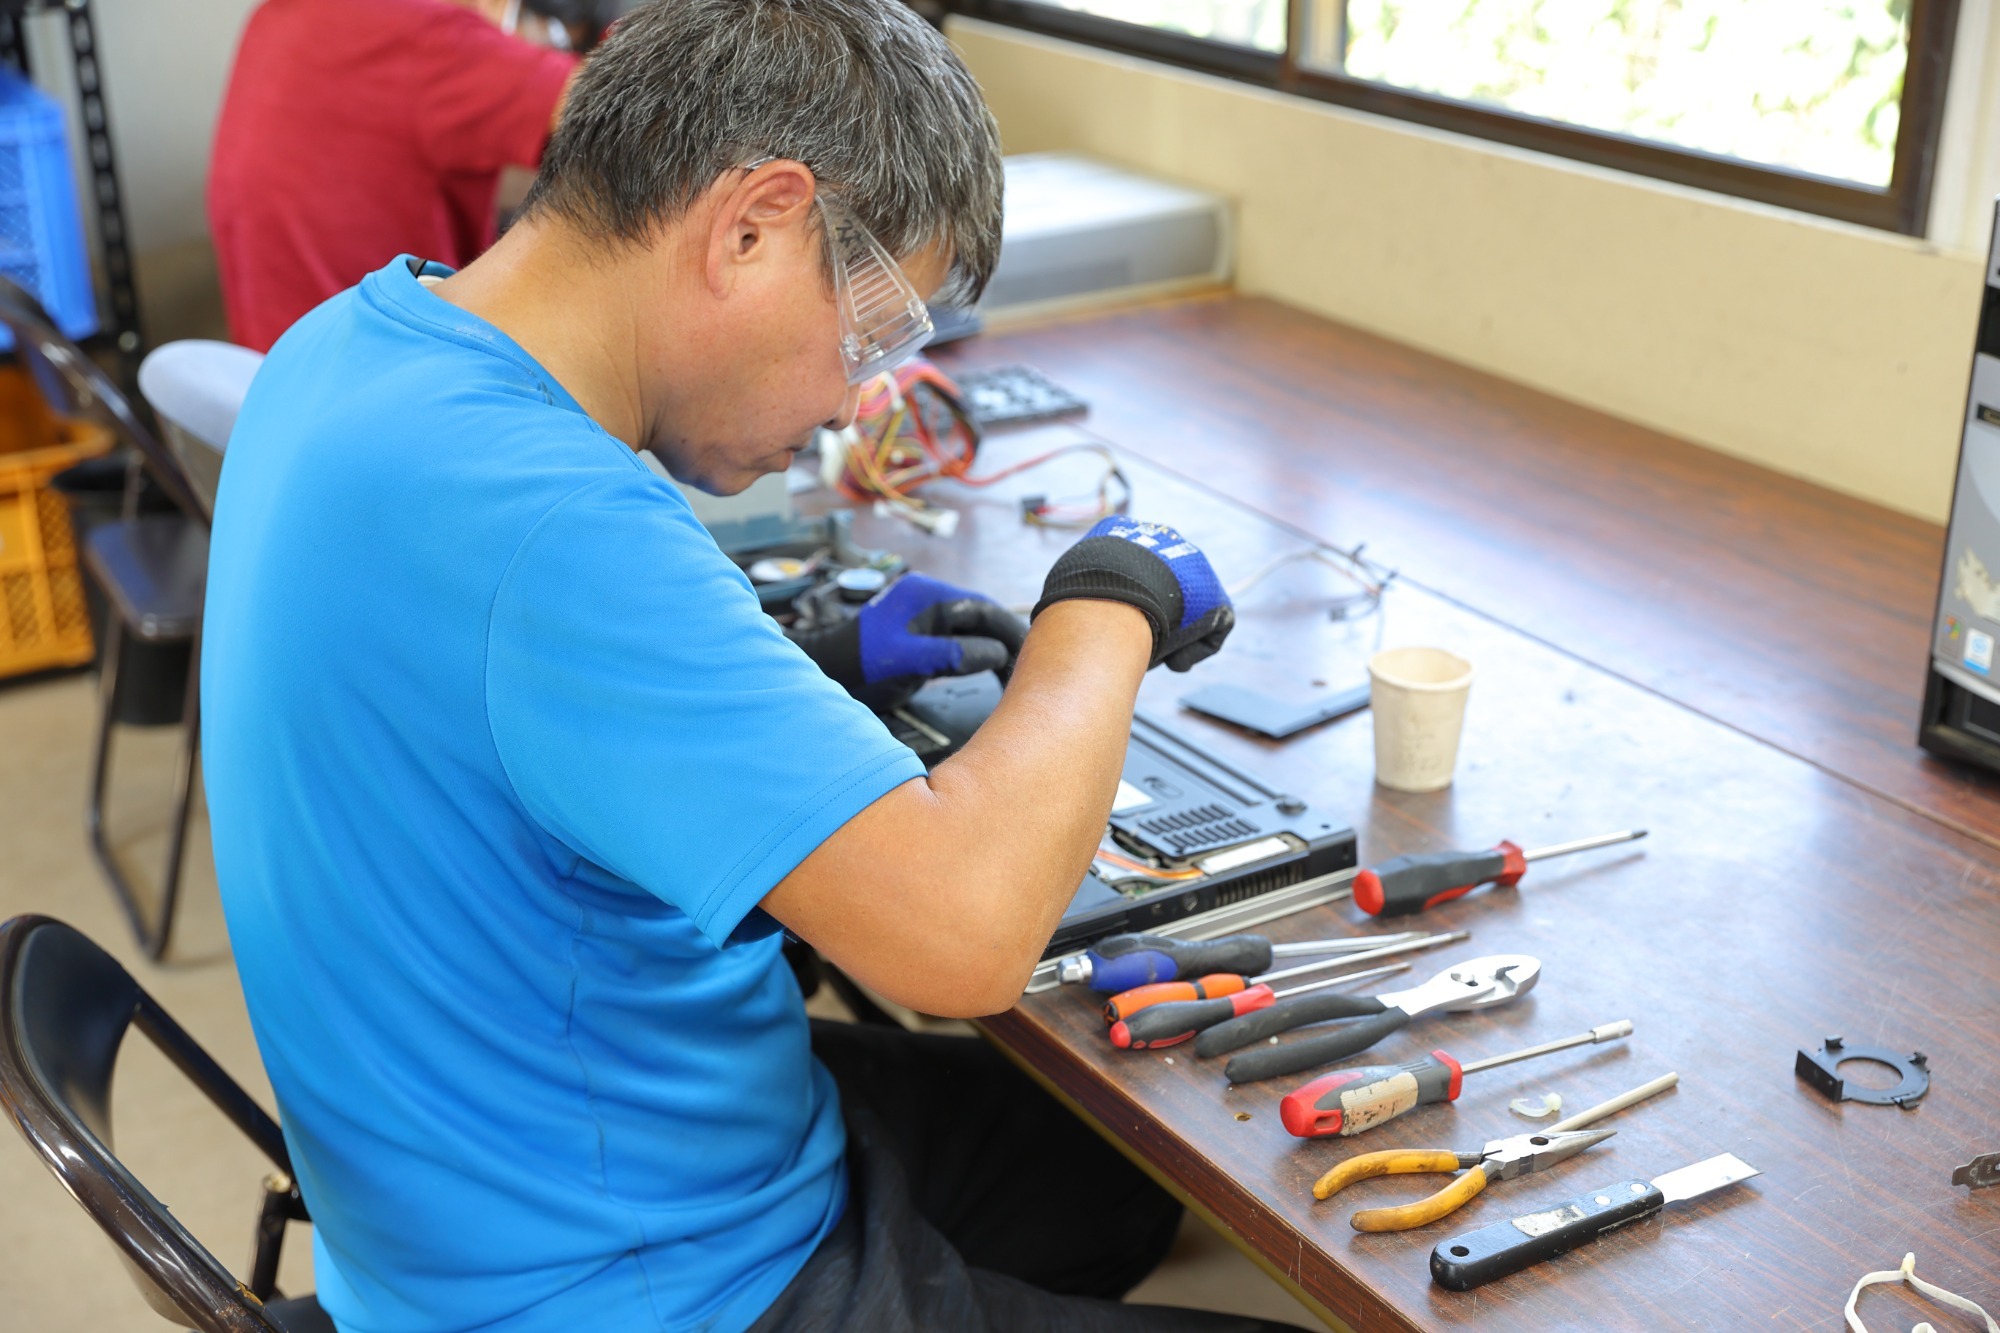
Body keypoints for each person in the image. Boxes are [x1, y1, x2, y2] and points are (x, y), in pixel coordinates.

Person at [201, 2, 1291, 1330]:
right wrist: (1105, 605)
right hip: (633, 1281)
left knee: (1109, 1177)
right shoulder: (557, 526)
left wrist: (803, 663)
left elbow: (483, 708)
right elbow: (967, 936)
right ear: (753, 224)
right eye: (870, 334)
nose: (849, 402)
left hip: (478, 1159)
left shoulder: (347, 348)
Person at [207, 0, 579, 351]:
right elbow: (623, 116)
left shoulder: (275, 16)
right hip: (383, 382)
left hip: (279, 372)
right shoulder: (431, 39)